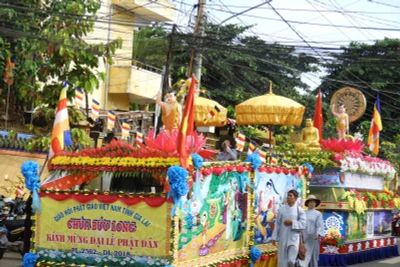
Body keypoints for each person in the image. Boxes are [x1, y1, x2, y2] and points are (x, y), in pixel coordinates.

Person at [272, 189, 306, 267]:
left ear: (296, 198)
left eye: (290, 196)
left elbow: (303, 224)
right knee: (282, 261)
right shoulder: (282, 210)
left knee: (291, 261)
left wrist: (292, 222)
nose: (288, 197)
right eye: (288, 195)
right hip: (283, 238)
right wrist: (274, 237)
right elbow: (277, 224)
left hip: (294, 239)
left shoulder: (300, 210)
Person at [303, 195, 324, 267]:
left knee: (313, 255)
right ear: (307, 203)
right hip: (304, 238)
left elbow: (320, 225)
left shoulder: (318, 213)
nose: (312, 203)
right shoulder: (303, 213)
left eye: (313, 202)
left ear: (315, 203)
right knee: (304, 254)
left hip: (313, 237)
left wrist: (318, 233)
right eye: (310, 202)